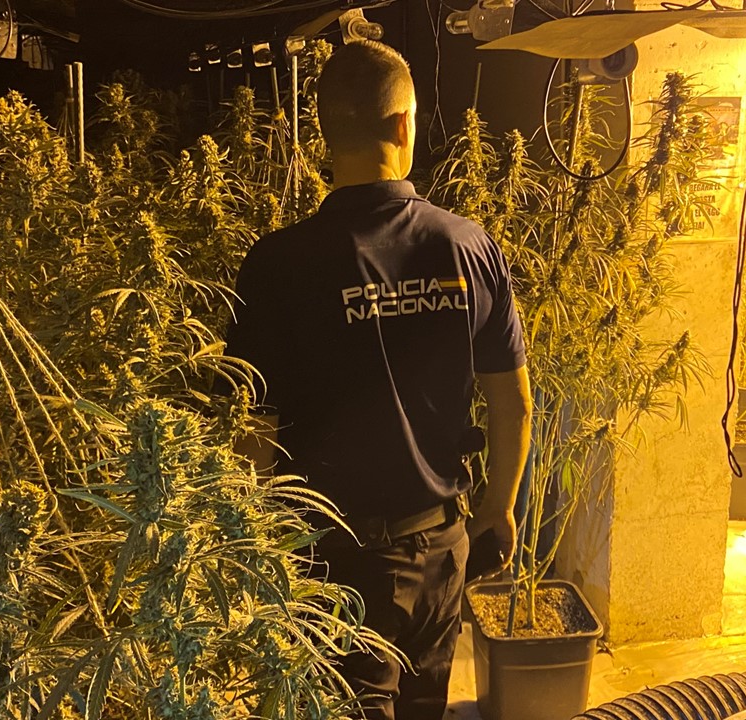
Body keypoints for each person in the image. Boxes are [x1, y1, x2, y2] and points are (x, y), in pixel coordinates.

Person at [224, 40, 533, 720]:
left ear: (324, 133)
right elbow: (512, 402)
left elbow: (253, 428)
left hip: (332, 562)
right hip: (440, 549)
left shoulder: (277, 265)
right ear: (401, 125)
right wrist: (498, 507)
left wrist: (256, 548)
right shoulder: (467, 246)